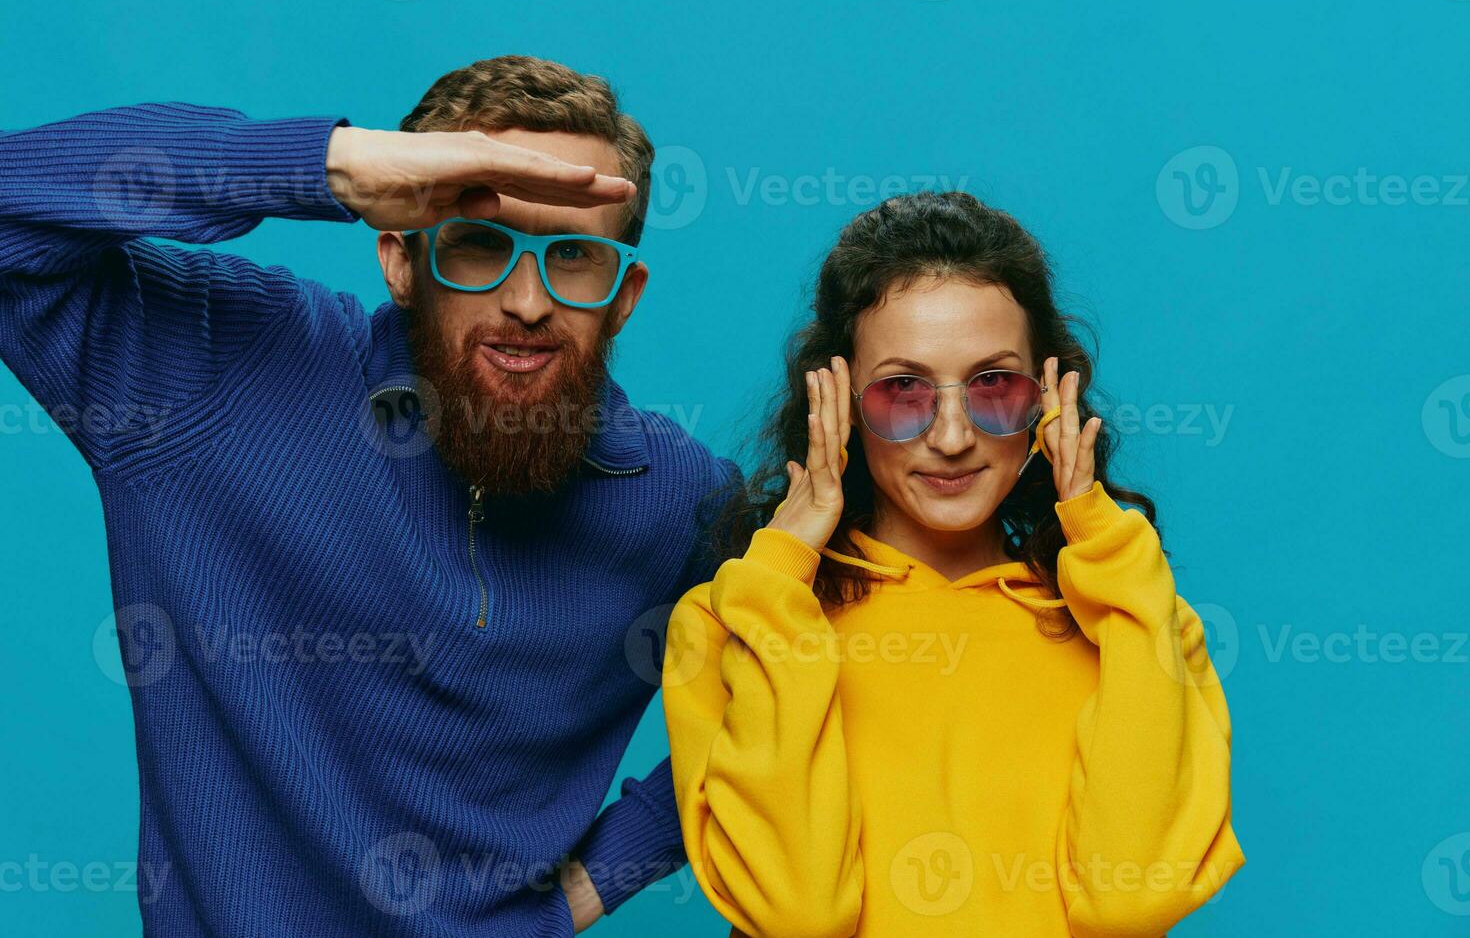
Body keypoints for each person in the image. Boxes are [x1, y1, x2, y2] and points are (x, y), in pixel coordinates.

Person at [0, 56, 737, 936]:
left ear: (623, 298)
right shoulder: (216, 378)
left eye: (574, 257)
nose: (528, 301)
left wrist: (588, 889)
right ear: (399, 255)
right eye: (477, 243)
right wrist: (329, 162)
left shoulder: (676, 496)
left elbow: (797, 679)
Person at [663, 192, 1245, 936]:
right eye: (903, 388)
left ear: (1050, 394)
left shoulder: (1138, 623)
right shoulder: (731, 622)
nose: (951, 436)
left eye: (993, 385)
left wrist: (1103, 543)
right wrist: (782, 569)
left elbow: (1130, 903)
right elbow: (800, 914)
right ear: (833, 400)